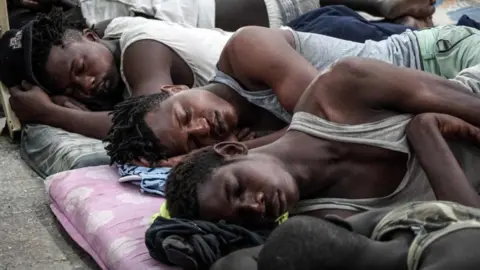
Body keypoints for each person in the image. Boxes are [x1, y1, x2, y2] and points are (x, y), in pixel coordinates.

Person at [0, 7, 429, 177]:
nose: (88, 84)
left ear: (92, 37)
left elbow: (323, 122)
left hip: (316, 43)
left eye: (81, 68)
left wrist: (55, 114)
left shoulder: (139, 47)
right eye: (73, 88)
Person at [163, 55, 480, 230]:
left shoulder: (342, 88)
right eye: (244, 217)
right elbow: (469, 232)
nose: (255, 206)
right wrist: (425, 134)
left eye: (237, 189)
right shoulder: (328, 220)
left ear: (232, 150)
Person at [105, 22, 480, 167]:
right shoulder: (251, 138)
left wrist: (222, 152)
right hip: (422, 105)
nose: (206, 127)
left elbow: (331, 121)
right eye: (196, 140)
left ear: (176, 88)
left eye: (187, 115)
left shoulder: (246, 49)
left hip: (440, 60)